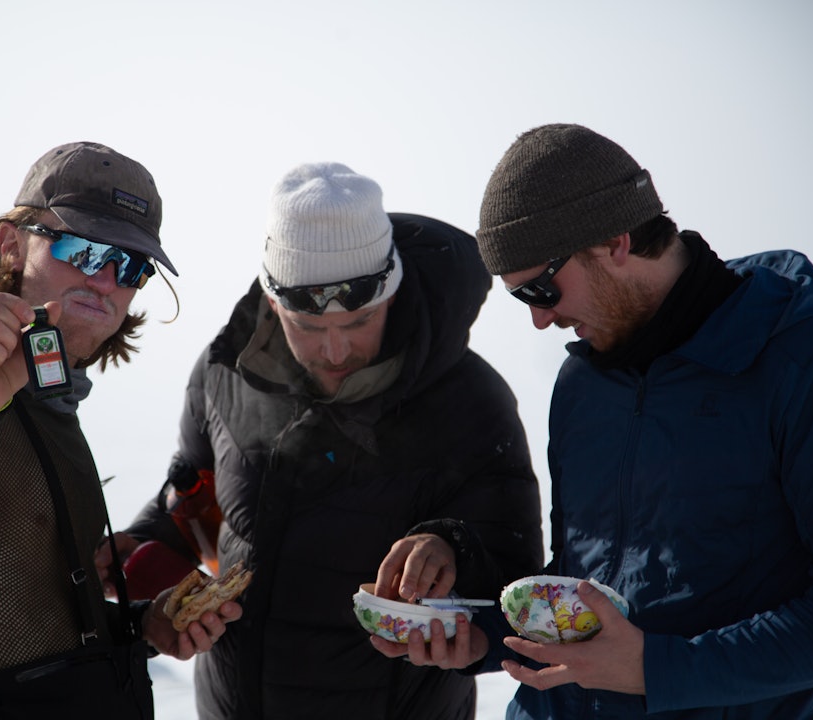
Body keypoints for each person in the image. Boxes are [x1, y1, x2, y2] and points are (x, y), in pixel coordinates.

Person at [372, 123, 813, 718]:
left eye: (542, 290)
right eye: (521, 297)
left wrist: (659, 670)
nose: (540, 320)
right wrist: (476, 633)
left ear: (615, 242)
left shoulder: (805, 357)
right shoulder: (585, 382)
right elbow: (585, 588)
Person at [96, 162, 544, 719]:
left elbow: (518, 581)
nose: (334, 352)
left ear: (393, 291)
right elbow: (202, 505)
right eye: (307, 327)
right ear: (273, 301)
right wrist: (147, 548)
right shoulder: (226, 374)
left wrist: (451, 547)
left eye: (358, 321)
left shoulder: (472, 402)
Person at [0, 141, 241, 719]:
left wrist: (144, 625)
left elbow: (36, 622)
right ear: (10, 244)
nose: (107, 280)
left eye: (131, 265)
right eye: (82, 249)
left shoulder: (52, 403)